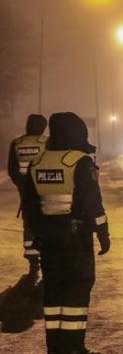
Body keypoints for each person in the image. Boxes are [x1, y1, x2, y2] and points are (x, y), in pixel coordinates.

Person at [21, 112, 110, 354]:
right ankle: (73, 349)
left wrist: (40, 232)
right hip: (75, 239)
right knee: (76, 292)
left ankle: (56, 348)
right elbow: (92, 203)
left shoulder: (37, 162)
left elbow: (29, 205)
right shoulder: (79, 161)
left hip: (49, 239)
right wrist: (103, 232)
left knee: (54, 292)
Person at [7, 114, 48, 282]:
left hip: (26, 192)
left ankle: (33, 265)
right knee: (47, 225)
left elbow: (12, 169)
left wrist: (21, 186)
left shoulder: (17, 143)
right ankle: (47, 263)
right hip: (46, 189)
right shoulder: (47, 142)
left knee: (30, 225)